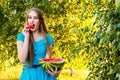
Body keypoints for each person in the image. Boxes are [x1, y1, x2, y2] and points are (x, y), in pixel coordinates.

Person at [17, 8, 61, 80]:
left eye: (35, 18)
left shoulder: (48, 38)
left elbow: (47, 61)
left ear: (40, 21)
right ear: (27, 20)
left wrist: (55, 73)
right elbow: (22, 59)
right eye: (30, 17)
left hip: (44, 75)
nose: (32, 20)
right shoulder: (21, 36)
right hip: (28, 76)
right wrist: (27, 37)